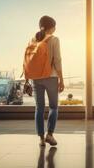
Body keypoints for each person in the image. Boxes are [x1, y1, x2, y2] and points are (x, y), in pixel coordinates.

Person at [26, 16, 65, 146]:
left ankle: (41, 139)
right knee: (54, 107)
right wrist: (62, 79)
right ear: (52, 27)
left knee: (39, 108)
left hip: (36, 78)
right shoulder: (54, 39)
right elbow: (57, 60)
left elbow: (28, 60)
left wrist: (28, 78)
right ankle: (50, 134)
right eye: (55, 26)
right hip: (51, 77)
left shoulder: (33, 39)